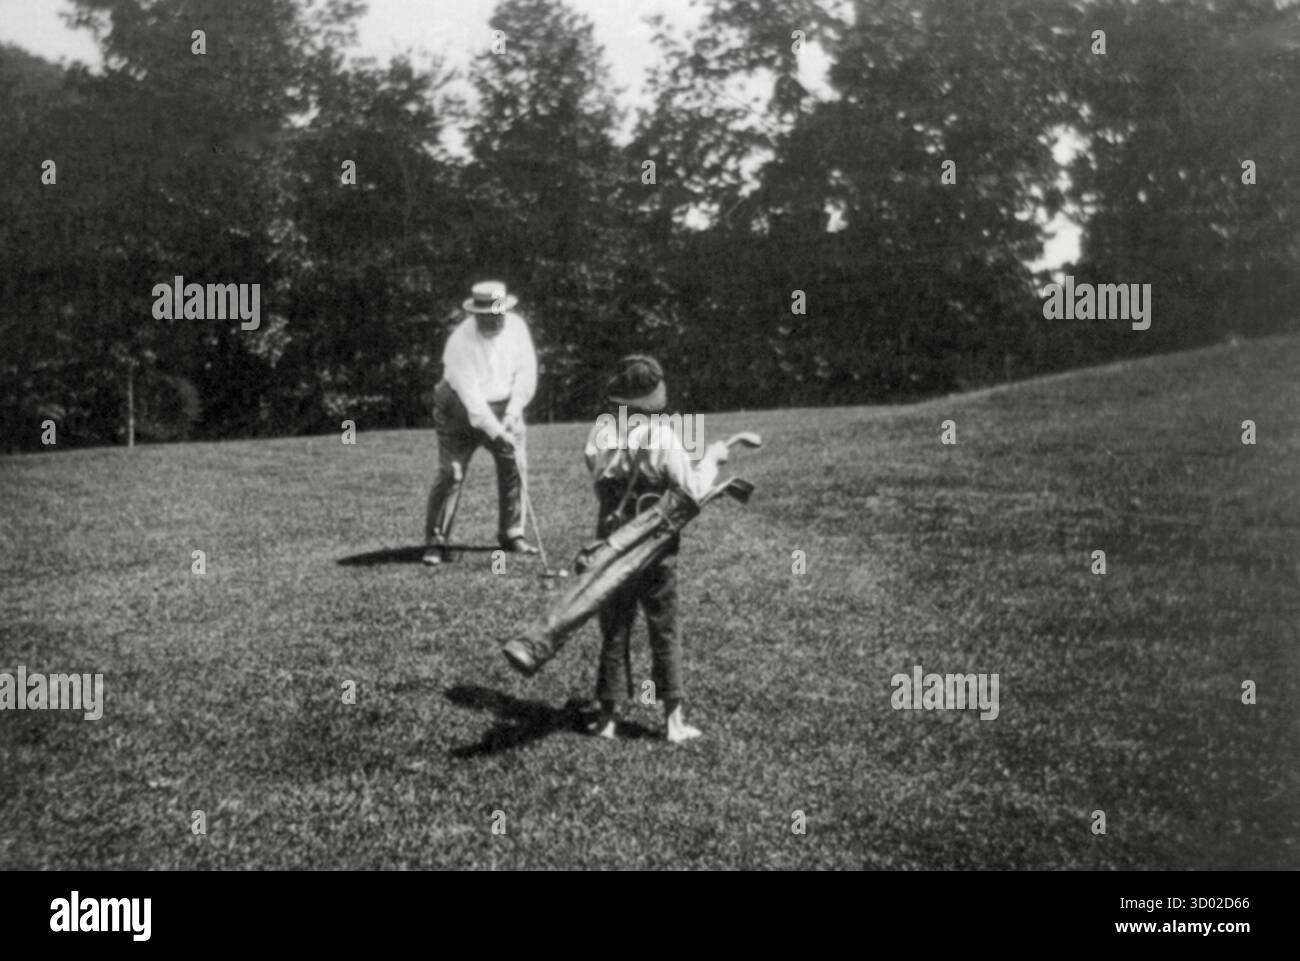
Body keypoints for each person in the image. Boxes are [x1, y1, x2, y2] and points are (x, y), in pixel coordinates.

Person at [581, 355, 731, 743]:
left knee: (614, 629)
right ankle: (673, 722)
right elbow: (691, 492)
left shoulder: (601, 434)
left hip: (613, 547)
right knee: (664, 629)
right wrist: (712, 460)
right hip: (656, 549)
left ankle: (608, 719)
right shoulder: (665, 438)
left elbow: (594, 472)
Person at [423, 281, 539, 565]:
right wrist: (497, 432)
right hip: (458, 408)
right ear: (476, 314)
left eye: (499, 314)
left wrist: (512, 415)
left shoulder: (517, 328)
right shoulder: (459, 343)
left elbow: (526, 374)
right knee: (452, 472)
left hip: (505, 404)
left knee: (515, 465)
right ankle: (436, 540)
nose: (495, 320)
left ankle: (512, 533)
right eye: (488, 316)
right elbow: (473, 401)